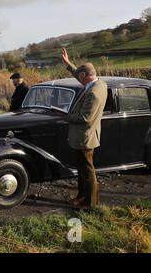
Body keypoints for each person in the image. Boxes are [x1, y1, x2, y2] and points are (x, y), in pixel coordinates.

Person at [61, 48, 108, 210]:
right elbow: (79, 75)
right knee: (82, 169)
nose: (79, 79)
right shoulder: (99, 83)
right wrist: (68, 64)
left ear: (84, 76)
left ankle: (91, 203)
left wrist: (64, 116)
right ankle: (82, 196)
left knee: (88, 172)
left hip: (85, 137)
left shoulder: (94, 93)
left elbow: (85, 118)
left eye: (80, 77)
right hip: (85, 136)